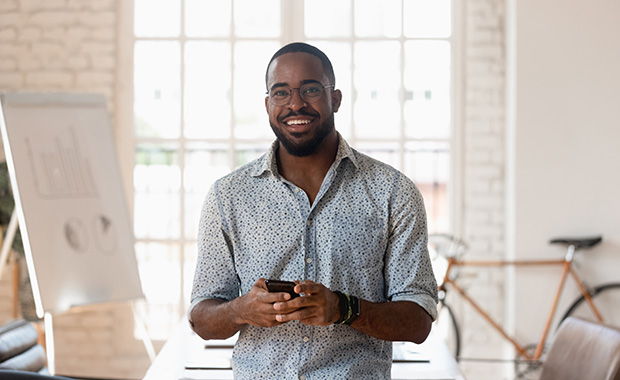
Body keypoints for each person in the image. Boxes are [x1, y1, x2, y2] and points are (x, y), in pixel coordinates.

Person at [189, 42, 438, 379]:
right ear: (267, 105)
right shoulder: (228, 196)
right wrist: (240, 310)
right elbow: (202, 318)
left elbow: (418, 322)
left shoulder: (392, 192)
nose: (295, 104)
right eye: (281, 93)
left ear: (335, 98)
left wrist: (343, 308)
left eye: (310, 89)